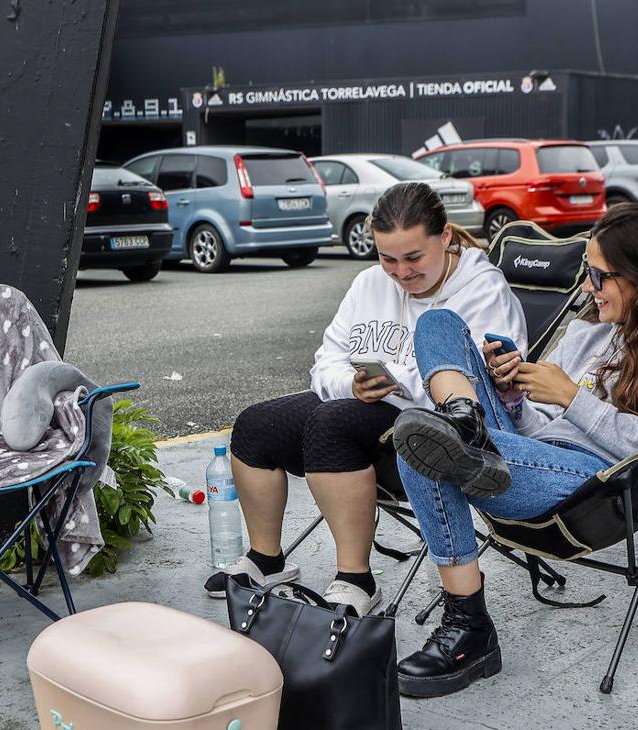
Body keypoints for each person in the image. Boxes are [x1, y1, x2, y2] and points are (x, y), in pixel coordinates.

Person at [390, 203, 638, 698]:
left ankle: (469, 625)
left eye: (599, 274)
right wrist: (512, 392)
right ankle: (465, 421)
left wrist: (571, 395)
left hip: (596, 479)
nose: (587, 285)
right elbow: (539, 424)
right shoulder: (591, 325)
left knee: (421, 446)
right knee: (438, 325)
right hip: (526, 450)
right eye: (586, 271)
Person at [205, 181, 527, 617]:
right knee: (257, 424)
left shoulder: (482, 289)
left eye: (414, 257)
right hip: (362, 406)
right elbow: (324, 363)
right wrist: (352, 385)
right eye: (387, 257)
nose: (401, 272)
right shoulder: (369, 283)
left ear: (446, 236)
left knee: (332, 423)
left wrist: (398, 386)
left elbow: (482, 392)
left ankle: (356, 577)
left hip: (431, 432)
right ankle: (266, 558)